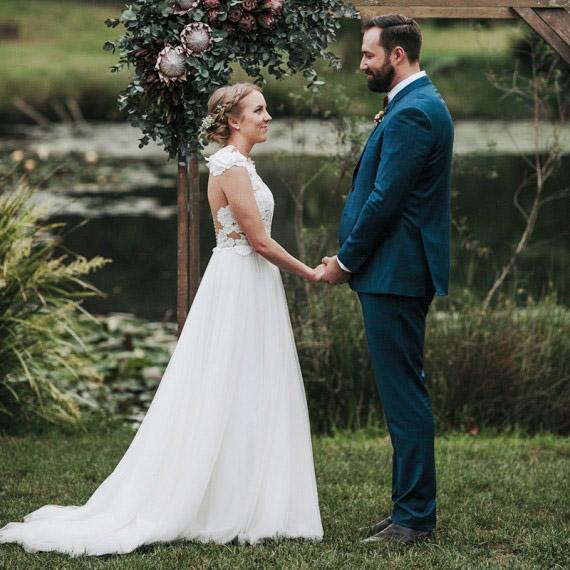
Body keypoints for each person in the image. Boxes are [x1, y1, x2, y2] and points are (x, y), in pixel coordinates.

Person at [0, 83, 324, 557]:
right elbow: (257, 240)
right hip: (239, 280)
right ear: (234, 120)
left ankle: (256, 497)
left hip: (252, 283)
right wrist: (311, 273)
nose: (268, 116)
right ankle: (221, 499)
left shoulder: (241, 164)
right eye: (259, 109)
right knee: (226, 383)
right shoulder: (229, 165)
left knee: (254, 383)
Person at [321, 14, 453, 544]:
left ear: (397, 55)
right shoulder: (414, 105)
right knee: (402, 394)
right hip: (393, 272)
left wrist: (346, 261)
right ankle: (408, 508)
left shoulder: (415, 113)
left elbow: (383, 202)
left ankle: (415, 517)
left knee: (404, 398)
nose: (362, 65)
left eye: (368, 55)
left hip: (394, 273)